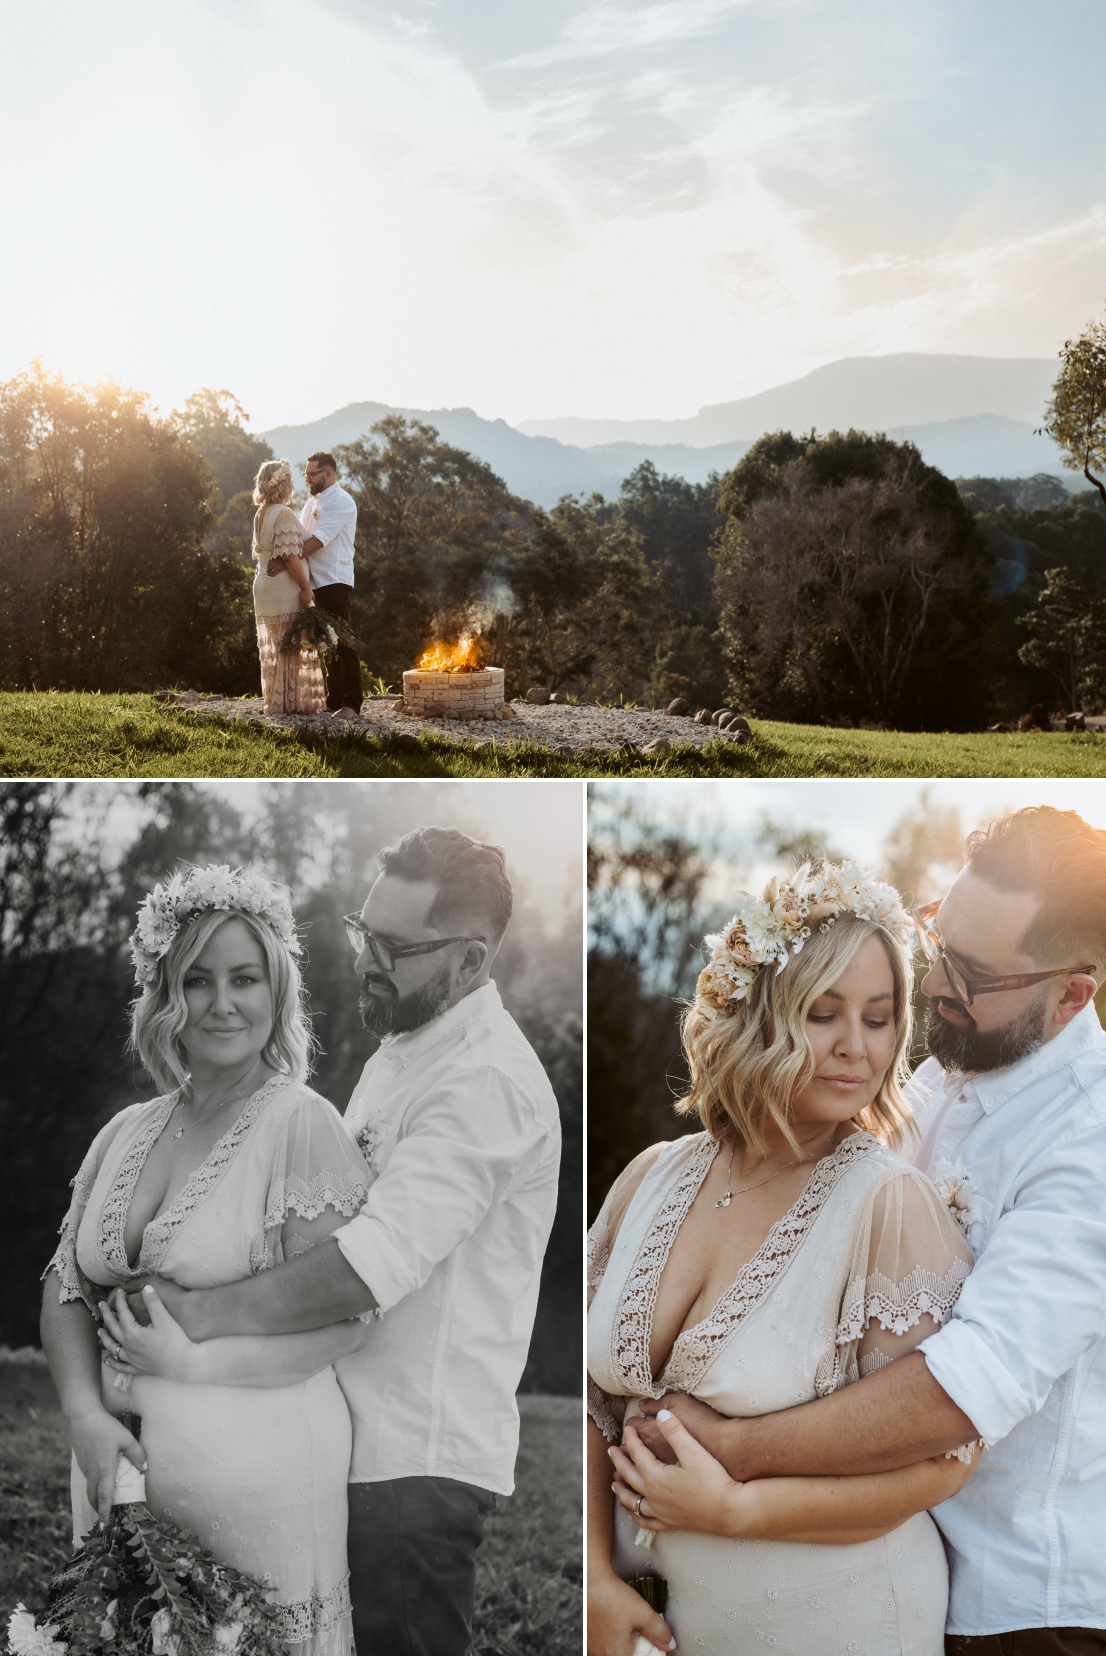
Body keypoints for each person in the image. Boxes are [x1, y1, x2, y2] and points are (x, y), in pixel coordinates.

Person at [630, 809, 1106, 1656]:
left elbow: (958, 1391)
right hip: (871, 1558)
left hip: (1015, 1603)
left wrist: (730, 1449)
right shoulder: (939, 1073)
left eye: (974, 970)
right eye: (937, 940)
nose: (938, 981)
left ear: (1073, 993)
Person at [111, 827, 563, 1656]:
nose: (366, 960)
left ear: (468, 961)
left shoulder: (486, 1084)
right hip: (339, 1447)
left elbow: (364, 1269)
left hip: (411, 1470)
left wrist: (197, 1315)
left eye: (394, 946)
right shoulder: (408, 1048)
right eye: (365, 932)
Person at [587, 860, 981, 1656]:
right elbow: (589, 1407)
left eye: (877, 1019)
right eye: (823, 1012)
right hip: (659, 1624)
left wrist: (736, 1509)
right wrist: (596, 1576)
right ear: (759, 1012)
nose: (855, 1048)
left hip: (838, 1618)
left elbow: (943, 1462)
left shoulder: (886, 1205)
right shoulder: (650, 1176)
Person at [40, 866, 374, 1656]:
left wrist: (192, 1366)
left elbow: (350, 1322)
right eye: (197, 980)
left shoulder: (301, 1124)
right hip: (114, 1475)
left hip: (260, 1484)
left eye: (244, 979)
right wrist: (86, 1418)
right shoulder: (125, 1130)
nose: (222, 1003)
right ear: (164, 996)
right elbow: (64, 1286)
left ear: (276, 990)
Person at [266, 451, 362, 719]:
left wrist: (286, 563)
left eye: (312, 474)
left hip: (334, 580)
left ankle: (353, 705)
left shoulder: (342, 502)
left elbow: (318, 541)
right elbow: (297, 540)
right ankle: (334, 701)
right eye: (306, 474)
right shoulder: (311, 504)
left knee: (343, 642)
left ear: (327, 474)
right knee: (324, 643)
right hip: (310, 581)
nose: (307, 478)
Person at [251, 458, 327, 716]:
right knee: (291, 644)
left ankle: (278, 702)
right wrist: (306, 589)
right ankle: (293, 704)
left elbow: (264, 551)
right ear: (283, 484)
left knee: (278, 645)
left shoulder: (261, 513)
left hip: (263, 584)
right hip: (282, 588)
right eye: (291, 481)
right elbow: (289, 555)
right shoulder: (283, 513)